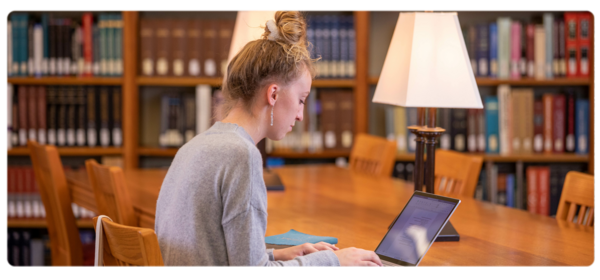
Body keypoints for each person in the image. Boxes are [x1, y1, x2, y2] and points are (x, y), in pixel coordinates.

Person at [155, 8, 383, 269]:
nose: (300, 115)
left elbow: (217, 251)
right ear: (273, 94)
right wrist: (333, 260)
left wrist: (278, 254)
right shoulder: (241, 155)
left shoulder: (194, 146)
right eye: (301, 100)